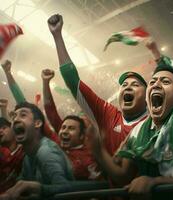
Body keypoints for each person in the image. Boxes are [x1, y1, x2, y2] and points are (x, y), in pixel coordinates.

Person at [94, 64, 173, 199]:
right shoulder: (137, 132)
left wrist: (157, 182)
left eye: (165, 81)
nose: (156, 84)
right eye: (152, 82)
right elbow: (124, 177)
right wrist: (98, 151)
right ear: (146, 96)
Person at [48, 14, 148, 156]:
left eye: (135, 85)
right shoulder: (109, 115)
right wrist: (57, 36)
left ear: (147, 95)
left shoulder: (157, 121)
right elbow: (72, 81)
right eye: (124, 84)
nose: (127, 86)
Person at [42, 68, 102, 180]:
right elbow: (50, 111)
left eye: (71, 128)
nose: (64, 131)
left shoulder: (95, 153)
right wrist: (45, 83)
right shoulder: (56, 144)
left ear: (82, 136)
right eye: (63, 127)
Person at [0, 117, 24, 194]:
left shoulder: (25, 151)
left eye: (4, 128)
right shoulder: (2, 155)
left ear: (13, 130)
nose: (0, 131)